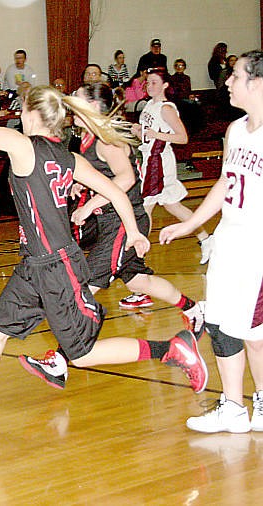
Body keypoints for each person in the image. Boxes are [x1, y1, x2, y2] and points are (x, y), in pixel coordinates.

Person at [0, 80, 207, 424]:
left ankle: (171, 350)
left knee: (83, 355)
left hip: (57, 267)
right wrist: (132, 230)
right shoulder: (69, 156)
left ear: (31, 113)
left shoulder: (22, 145)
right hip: (34, 265)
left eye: (23, 110)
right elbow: (117, 194)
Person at [22, 82, 206, 379]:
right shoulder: (86, 138)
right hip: (111, 222)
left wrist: (89, 203)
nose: (70, 106)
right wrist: (80, 185)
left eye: (77, 100)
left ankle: (59, 359)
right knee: (139, 282)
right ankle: (195, 309)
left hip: (123, 221)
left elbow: (126, 178)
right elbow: (103, 175)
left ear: (93, 107)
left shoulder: (106, 139)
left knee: (86, 288)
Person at [160, 50, 263, 433]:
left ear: (257, 82)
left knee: (255, 332)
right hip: (229, 241)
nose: (228, 82)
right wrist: (192, 225)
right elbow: (224, 182)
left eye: (235, 76)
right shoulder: (236, 130)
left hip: (257, 248)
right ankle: (233, 407)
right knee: (221, 324)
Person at [132, 68, 213, 266]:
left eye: (153, 82)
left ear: (165, 85)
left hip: (159, 161)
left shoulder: (166, 108)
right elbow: (148, 135)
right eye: (147, 82)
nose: (149, 86)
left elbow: (182, 138)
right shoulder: (149, 105)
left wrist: (154, 135)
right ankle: (207, 239)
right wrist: (137, 131)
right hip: (150, 158)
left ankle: (137, 256)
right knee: (172, 205)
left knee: (145, 208)